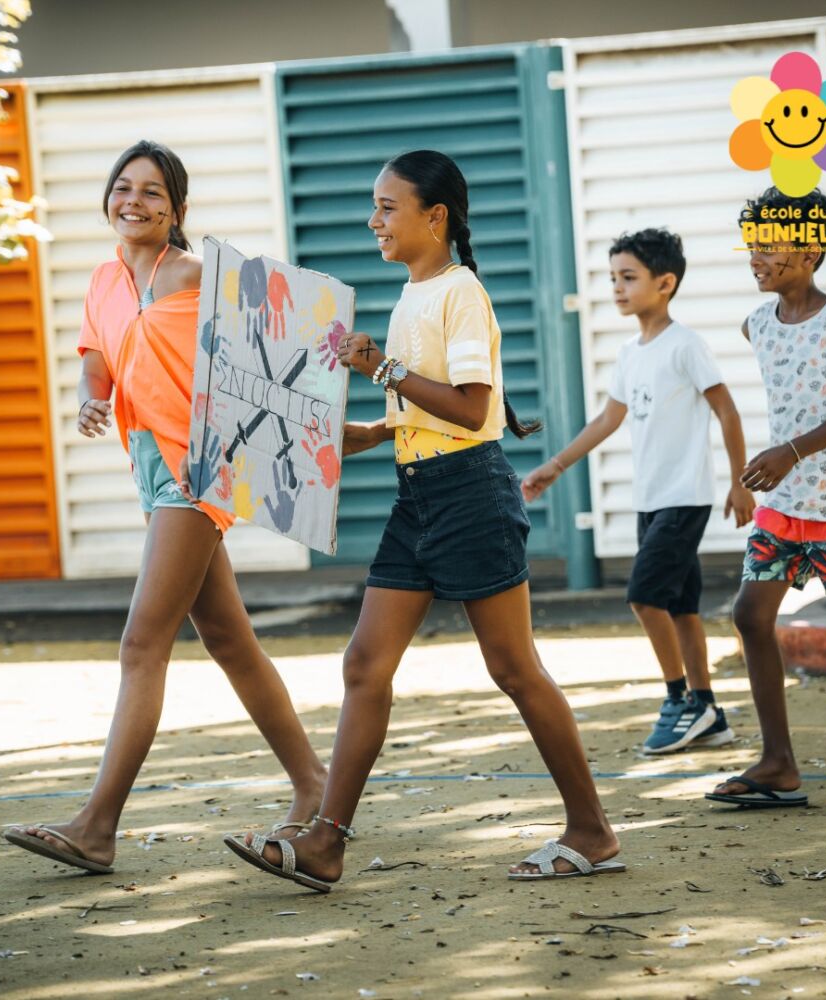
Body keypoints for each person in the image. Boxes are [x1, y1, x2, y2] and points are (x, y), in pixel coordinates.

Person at [223, 149, 624, 891]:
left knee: (514, 669)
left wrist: (380, 370)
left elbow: (473, 408)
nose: (372, 221)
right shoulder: (413, 293)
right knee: (363, 665)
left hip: (471, 497)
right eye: (374, 207)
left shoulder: (459, 292)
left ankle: (593, 831)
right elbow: (423, 406)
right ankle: (326, 844)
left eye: (387, 207)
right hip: (417, 497)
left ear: (434, 216)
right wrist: (359, 432)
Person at [4, 141, 325, 873]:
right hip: (148, 465)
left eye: (153, 192)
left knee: (141, 644)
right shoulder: (103, 280)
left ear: (177, 208)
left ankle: (96, 827)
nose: (134, 202)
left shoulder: (196, 272)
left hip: (197, 469)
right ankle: (315, 783)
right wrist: (92, 399)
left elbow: (280, 338)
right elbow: (98, 360)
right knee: (228, 639)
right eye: (124, 187)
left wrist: (303, 432)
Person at [523, 229, 754, 754]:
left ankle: (679, 700)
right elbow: (608, 419)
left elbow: (727, 411)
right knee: (681, 607)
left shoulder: (686, 345)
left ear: (665, 283)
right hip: (650, 501)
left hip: (685, 497)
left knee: (644, 596)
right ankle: (708, 709)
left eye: (629, 277)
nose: (617, 288)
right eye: (613, 278)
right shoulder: (630, 353)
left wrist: (741, 482)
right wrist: (555, 466)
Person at [707, 188, 826, 809]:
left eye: (770, 244)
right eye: (752, 244)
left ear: (811, 251)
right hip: (784, 506)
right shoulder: (757, 324)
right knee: (749, 615)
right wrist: (781, 464)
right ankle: (779, 764)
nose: (755, 256)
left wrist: (789, 451)